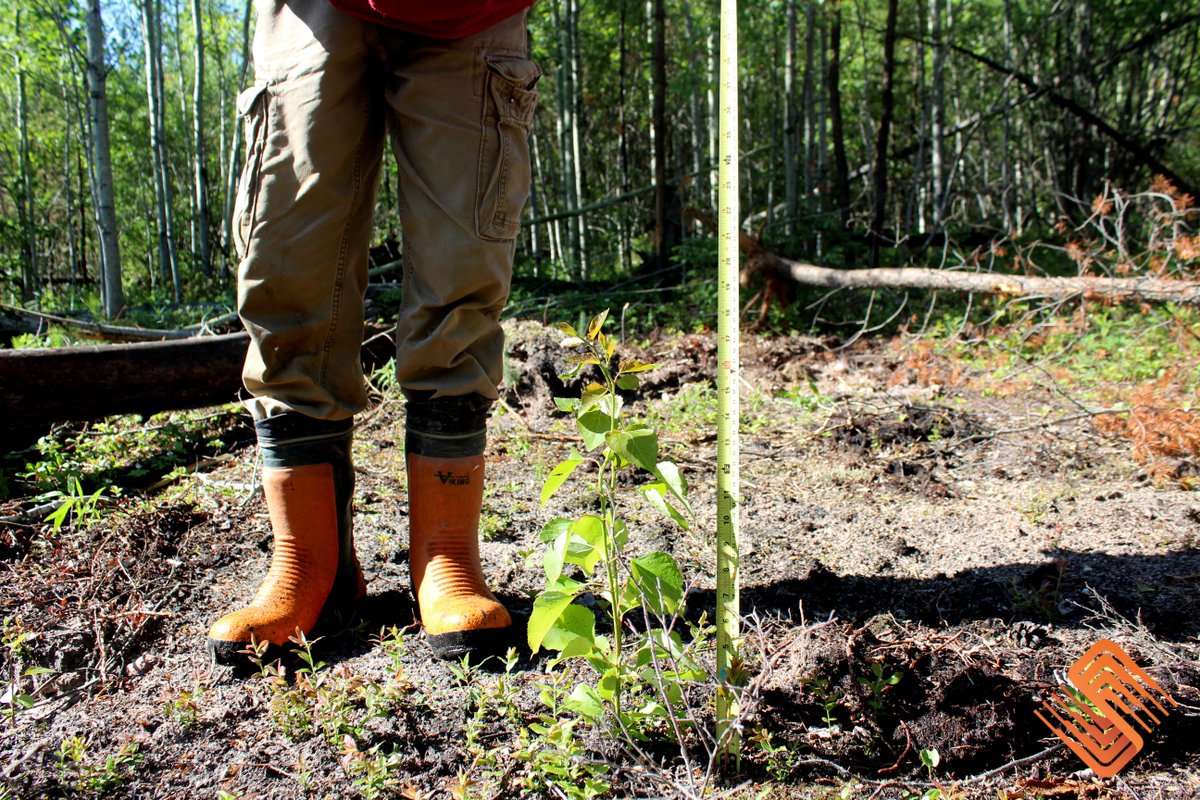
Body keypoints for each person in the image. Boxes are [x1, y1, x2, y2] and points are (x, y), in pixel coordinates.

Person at [206, 0, 540, 663]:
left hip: (472, 13)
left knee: (462, 269)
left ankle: (446, 558)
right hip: (310, 11)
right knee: (286, 263)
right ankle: (310, 566)